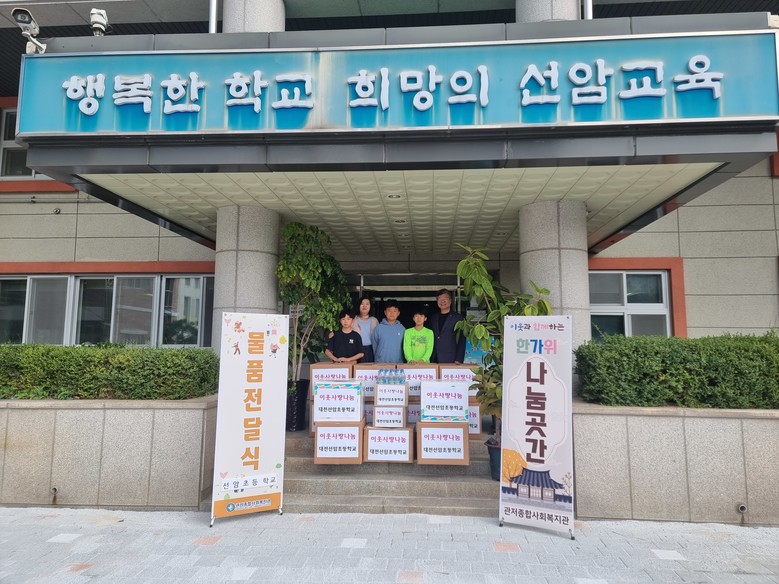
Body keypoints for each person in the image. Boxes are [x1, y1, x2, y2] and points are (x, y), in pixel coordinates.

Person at [427, 288, 465, 363]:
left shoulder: (458, 318)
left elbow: (462, 339)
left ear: (450, 301)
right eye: (440, 299)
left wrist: (459, 359)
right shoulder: (433, 318)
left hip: (451, 358)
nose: (442, 301)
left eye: (445, 298)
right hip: (434, 357)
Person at [353, 295, 379, 363]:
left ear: (370, 307)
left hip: (371, 349)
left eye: (367, 304)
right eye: (362, 304)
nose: (364, 306)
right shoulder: (353, 320)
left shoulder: (374, 320)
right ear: (358, 306)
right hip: (357, 349)